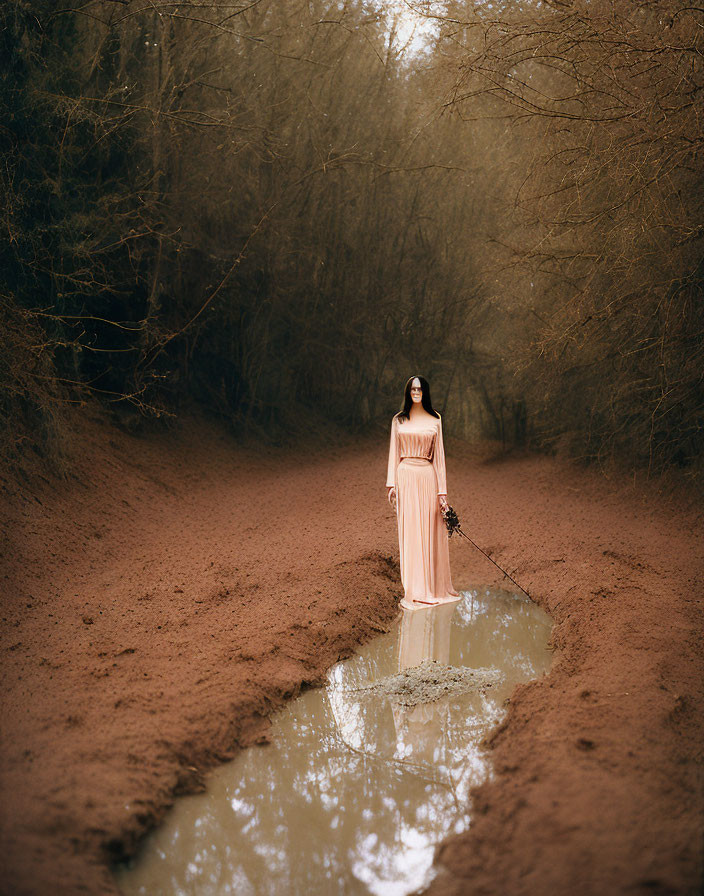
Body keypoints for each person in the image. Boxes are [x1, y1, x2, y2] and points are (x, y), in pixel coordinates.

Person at [386, 375, 460, 609]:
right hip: (405, 475)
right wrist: (391, 484)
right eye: (412, 389)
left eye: (419, 389)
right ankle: (415, 588)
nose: (416, 392)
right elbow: (393, 452)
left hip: (428, 476)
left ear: (425, 392)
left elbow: (440, 458)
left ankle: (432, 585)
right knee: (410, 531)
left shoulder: (435, 419)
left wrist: (442, 493)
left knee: (429, 529)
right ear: (407, 392)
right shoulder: (399, 420)